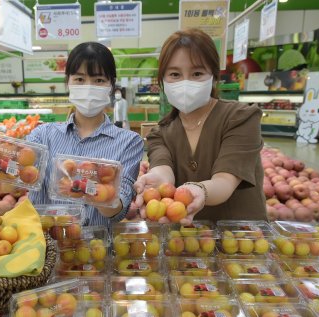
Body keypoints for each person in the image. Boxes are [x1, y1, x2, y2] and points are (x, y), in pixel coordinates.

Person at [134, 28, 266, 223]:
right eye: (175, 74)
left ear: (213, 75)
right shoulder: (160, 133)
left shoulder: (240, 118)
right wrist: (157, 182)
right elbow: (163, 170)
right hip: (189, 243)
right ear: (163, 80)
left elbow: (224, 181)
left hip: (242, 240)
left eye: (197, 73)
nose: (185, 82)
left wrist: (201, 190)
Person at [26, 42, 144, 228]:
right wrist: (3, 172)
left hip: (96, 249)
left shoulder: (129, 142)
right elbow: (17, 182)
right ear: (68, 82)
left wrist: (90, 190)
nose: (88, 87)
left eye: (98, 80)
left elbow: (118, 210)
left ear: (111, 86)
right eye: (80, 79)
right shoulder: (42, 135)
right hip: (46, 248)